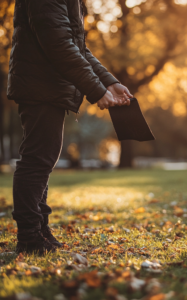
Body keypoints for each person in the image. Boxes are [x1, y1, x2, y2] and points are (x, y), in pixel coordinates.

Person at [7, 0, 132, 254]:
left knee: (44, 160)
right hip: (40, 85)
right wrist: (96, 90)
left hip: (48, 85)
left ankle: (40, 229)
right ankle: (29, 238)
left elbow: (77, 47)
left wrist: (109, 82)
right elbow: (58, 44)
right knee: (37, 160)